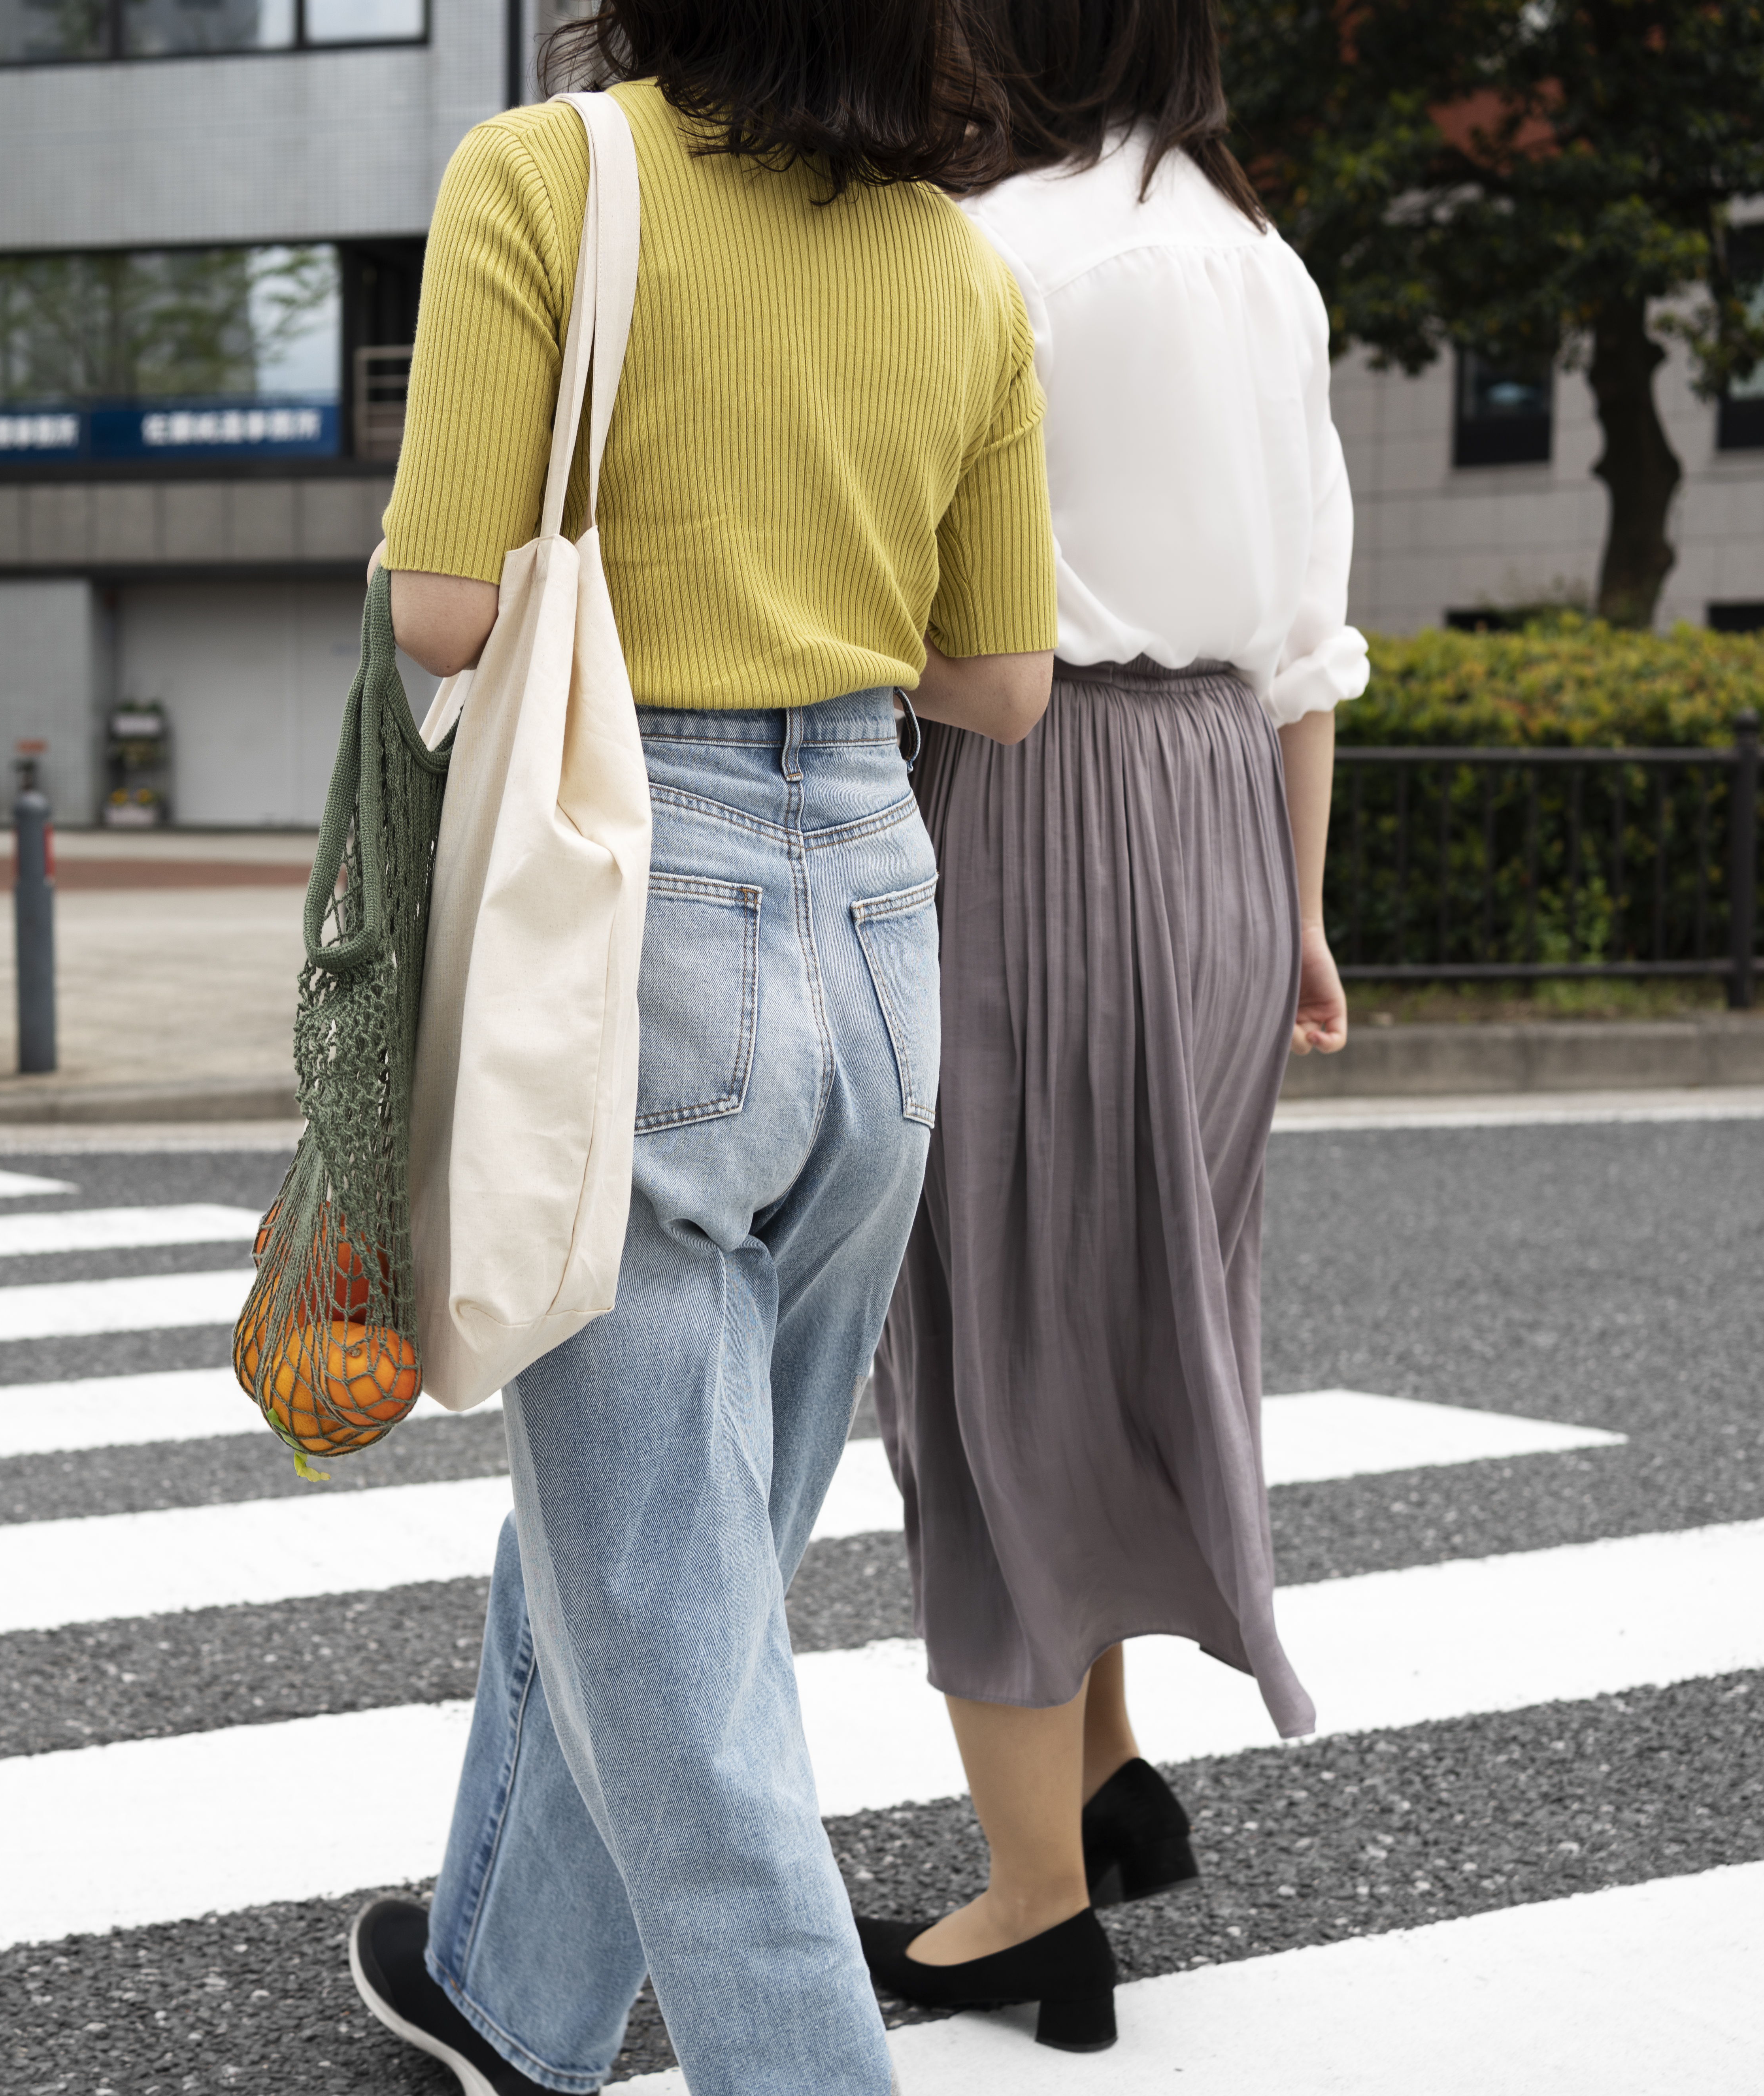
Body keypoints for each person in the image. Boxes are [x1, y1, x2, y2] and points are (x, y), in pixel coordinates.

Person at [344, 6, 1059, 2091]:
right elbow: (1004, 679)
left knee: (674, 1630)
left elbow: (449, 608)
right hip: (878, 910)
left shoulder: (552, 177)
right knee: (668, 1542)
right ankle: (511, 1997)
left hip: (635, 906)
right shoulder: (961, 265)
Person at [852, 0, 1362, 2053]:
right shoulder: (1268, 263)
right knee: (1146, 1314)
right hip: (1227, 814)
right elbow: (1310, 640)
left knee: (991, 1336)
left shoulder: (990, 255)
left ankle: (1035, 1902)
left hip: (1037, 796)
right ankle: (1112, 1773)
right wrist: (1304, 916)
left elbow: (924, 606)